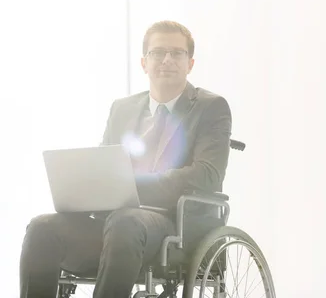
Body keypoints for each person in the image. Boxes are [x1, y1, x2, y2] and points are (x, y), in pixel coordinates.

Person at [20, 20, 232, 298]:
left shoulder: (210, 107)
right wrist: (82, 189)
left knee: (126, 221)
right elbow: (103, 167)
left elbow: (207, 175)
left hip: (174, 224)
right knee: (42, 228)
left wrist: (136, 186)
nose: (167, 59)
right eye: (158, 53)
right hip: (115, 223)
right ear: (144, 63)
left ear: (190, 63)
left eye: (176, 53)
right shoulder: (122, 109)